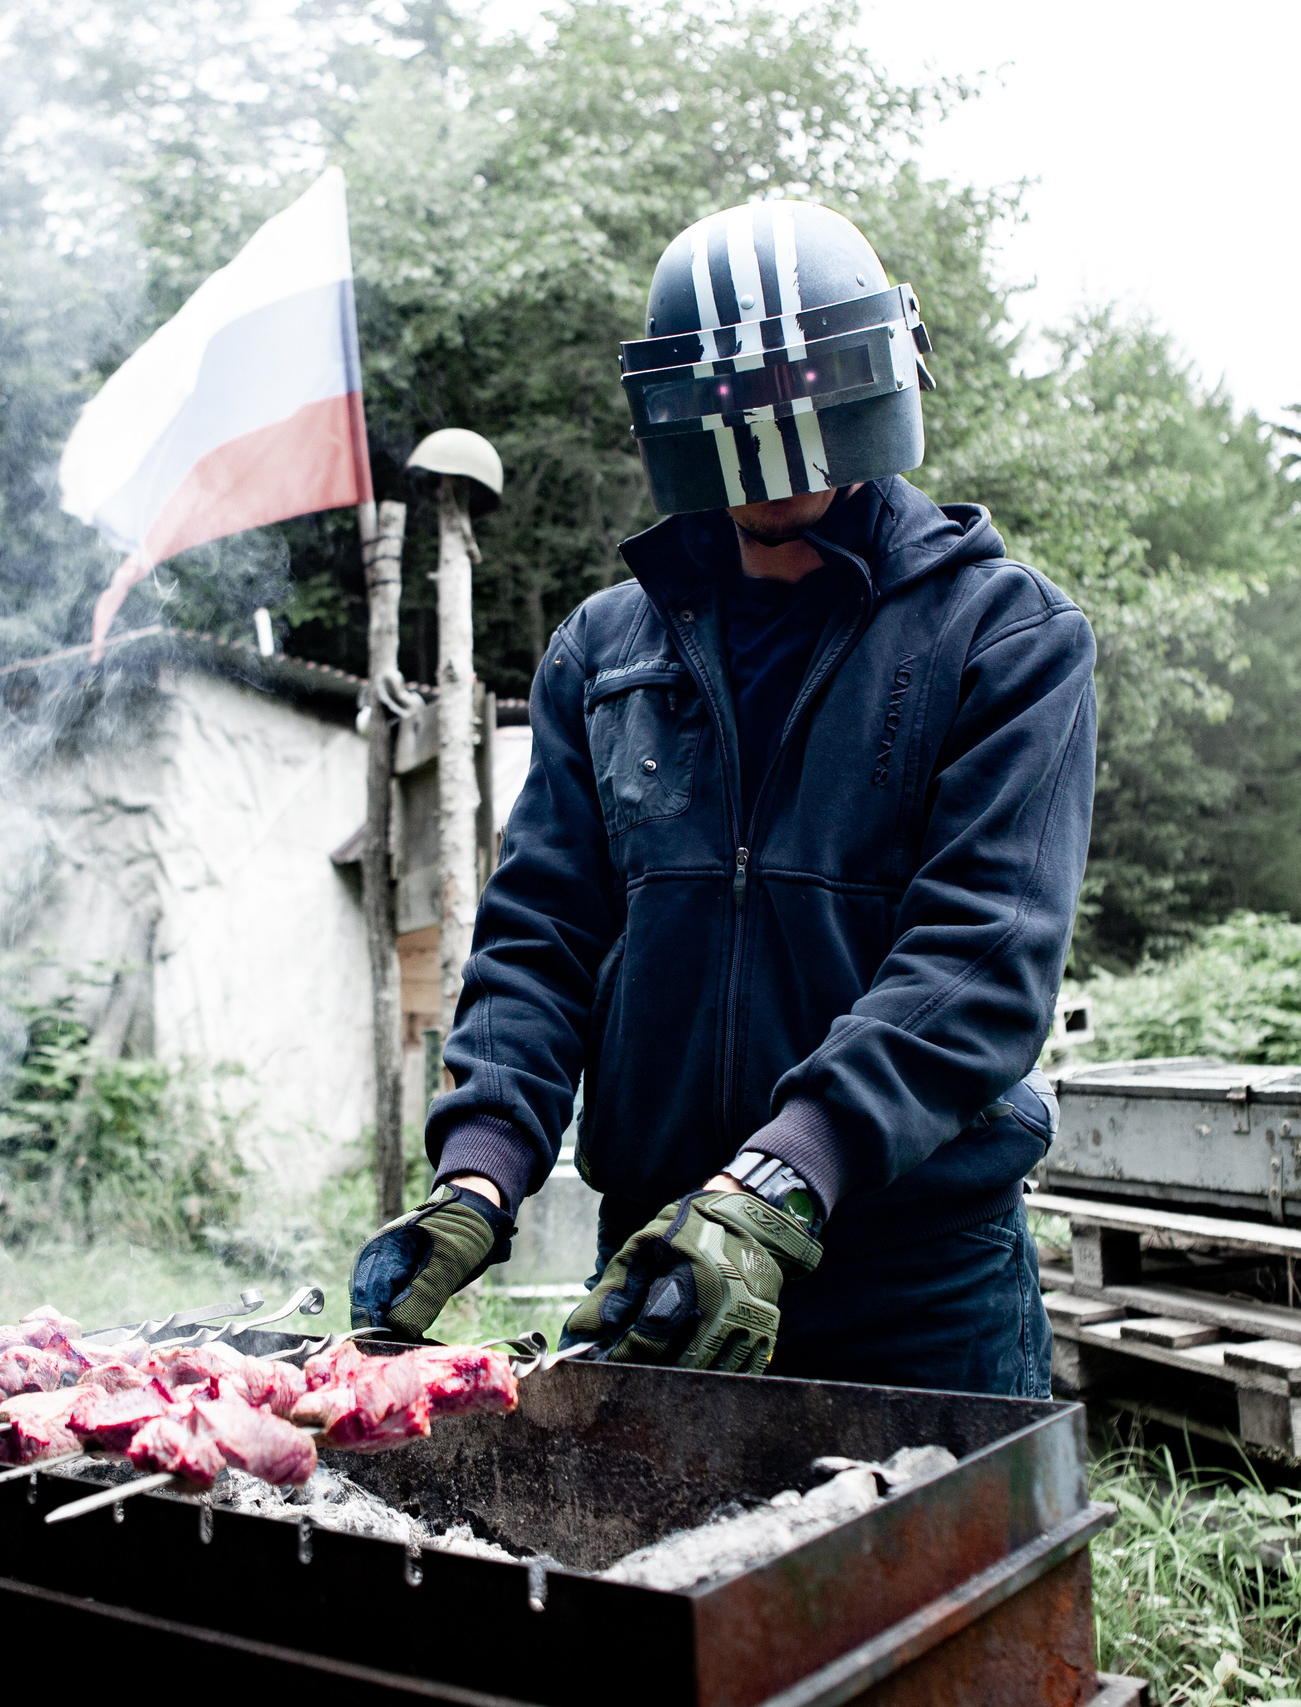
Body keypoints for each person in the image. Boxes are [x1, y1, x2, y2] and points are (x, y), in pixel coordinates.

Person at [348, 199, 1096, 1394]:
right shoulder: (602, 653)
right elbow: (541, 935)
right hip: (659, 1262)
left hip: (915, 1278)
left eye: (803, 387)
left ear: (869, 382)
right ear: (681, 415)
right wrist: (478, 1172)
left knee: (939, 1582)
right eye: (730, 403)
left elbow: (982, 956)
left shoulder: (1002, 637)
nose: (768, 436)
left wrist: (781, 1178)